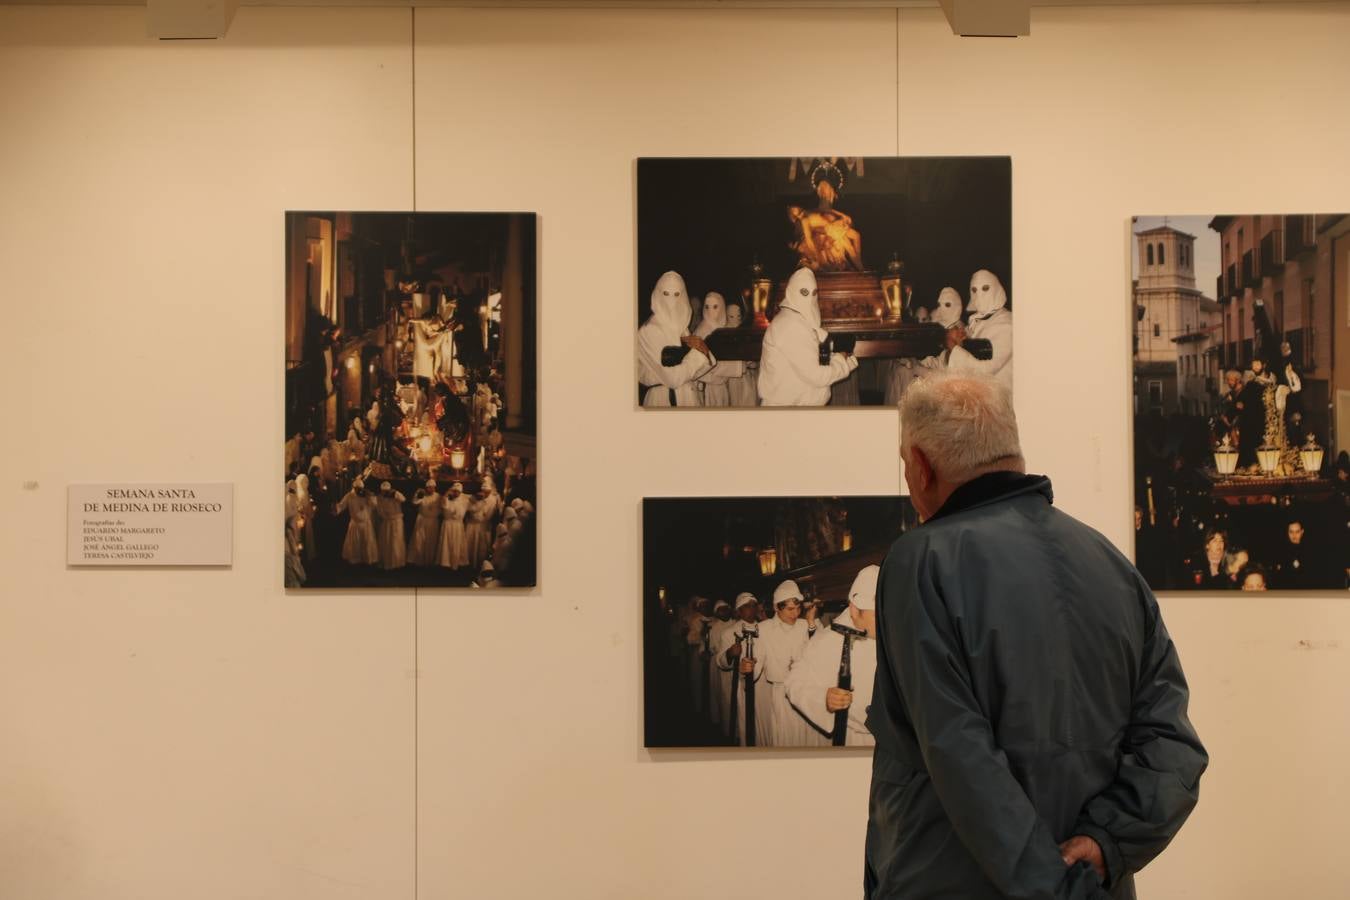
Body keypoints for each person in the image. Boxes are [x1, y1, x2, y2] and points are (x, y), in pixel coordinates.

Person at [866, 372, 1206, 900]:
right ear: (1011, 451)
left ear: (920, 465)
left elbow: (959, 754)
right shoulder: (1109, 561)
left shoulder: (920, 561)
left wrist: (1056, 888)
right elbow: (1173, 745)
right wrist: (1104, 842)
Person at [786, 565, 878, 747]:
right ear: (854, 610)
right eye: (878, 615)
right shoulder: (829, 639)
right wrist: (824, 698)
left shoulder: (898, 633)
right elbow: (794, 683)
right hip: (856, 739)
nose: (886, 622)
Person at [758, 268, 857, 407]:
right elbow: (816, 376)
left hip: (796, 412)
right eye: (804, 292)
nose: (810, 298)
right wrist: (841, 360)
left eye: (814, 293)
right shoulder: (791, 325)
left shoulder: (798, 320)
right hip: (787, 414)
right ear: (791, 291)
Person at [750, 579, 815, 746]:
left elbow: (817, 651)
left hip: (804, 691)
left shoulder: (803, 625)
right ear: (776, 607)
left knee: (804, 737)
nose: (795, 613)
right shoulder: (764, 629)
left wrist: (812, 623)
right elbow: (756, 664)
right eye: (790, 609)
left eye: (798, 608)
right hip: (781, 693)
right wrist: (748, 668)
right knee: (785, 739)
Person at [637, 271, 715, 407]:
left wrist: (705, 352)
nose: (671, 300)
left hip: (688, 397)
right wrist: (698, 355)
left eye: (677, 294)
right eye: (666, 294)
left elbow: (693, 373)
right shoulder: (650, 329)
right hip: (664, 399)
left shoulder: (682, 328)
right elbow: (671, 379)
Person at [946, 269, 1013, 389]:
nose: (979, 294)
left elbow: (986, 370)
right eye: (974, 290)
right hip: (977, 390)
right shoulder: (977, 321)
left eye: (985, 288)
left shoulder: (1007, 324)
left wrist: (954, 348)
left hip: (998, 397)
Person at [713, 593, 764, 746]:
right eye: (748, 606)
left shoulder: (764, 628)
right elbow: (720, 661)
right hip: (740, 686)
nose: (752, 609)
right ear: (739, 611)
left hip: (762, 685)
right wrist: (729, 653)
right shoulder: (729, 633)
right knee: (743, 722)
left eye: (754, 605)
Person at [694, 292, 742, 408]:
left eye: (715, 307)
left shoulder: (718, 329)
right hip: (709, 388)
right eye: (707, 307)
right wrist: (737, 366)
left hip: (720, 387)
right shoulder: (703, 331)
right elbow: (705, 366)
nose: (711, 311)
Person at [335, 477, 379, 566]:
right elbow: (341, 505)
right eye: (357, 489)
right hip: (355, 524)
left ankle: (367, 561)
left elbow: (375, 505)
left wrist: (369, 496)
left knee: (367, 543)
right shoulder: (349, 496)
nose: (359, 491)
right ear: (354, 488)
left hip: (366, 524)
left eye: (361, 489)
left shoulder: (367, 495)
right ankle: (355, 562)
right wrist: (335, 509)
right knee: (355, 544)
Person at [407, 480, 443, 567]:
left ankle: (430, 561)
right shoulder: (422, 495)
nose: (431, 489)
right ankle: (418, 560)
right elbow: (415, 502)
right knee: (419, 540)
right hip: (422, 520)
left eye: (432, 487)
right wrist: (418, 494)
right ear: (426, 488)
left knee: (431, 540)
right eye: (429, 488)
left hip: (433, 521)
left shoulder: (438, 496)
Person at [436, 482, 471, 570]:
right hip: (448, 524)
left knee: (456, 543)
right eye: (454, 491)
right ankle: (446, 562)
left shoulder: (464, 501)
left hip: (457, 525)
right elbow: (444, 506)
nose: (455, 493)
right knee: (446, 544)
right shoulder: (447, 499)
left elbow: (460, 512)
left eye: (457, 492)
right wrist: (447, 494)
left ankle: (456, 562)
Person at [374, 482, 407, 570]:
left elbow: (403, 499)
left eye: (386, 491)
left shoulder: (396, 496)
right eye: (383, 491)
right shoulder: (379, 498)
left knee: (396, 542)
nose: (385, 493)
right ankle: (385, 563)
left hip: (396, 522)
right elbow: (378, 509)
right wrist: (384, 516)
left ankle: (397, 564)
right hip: (386, 522)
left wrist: (395, 493)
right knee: (386, 542)